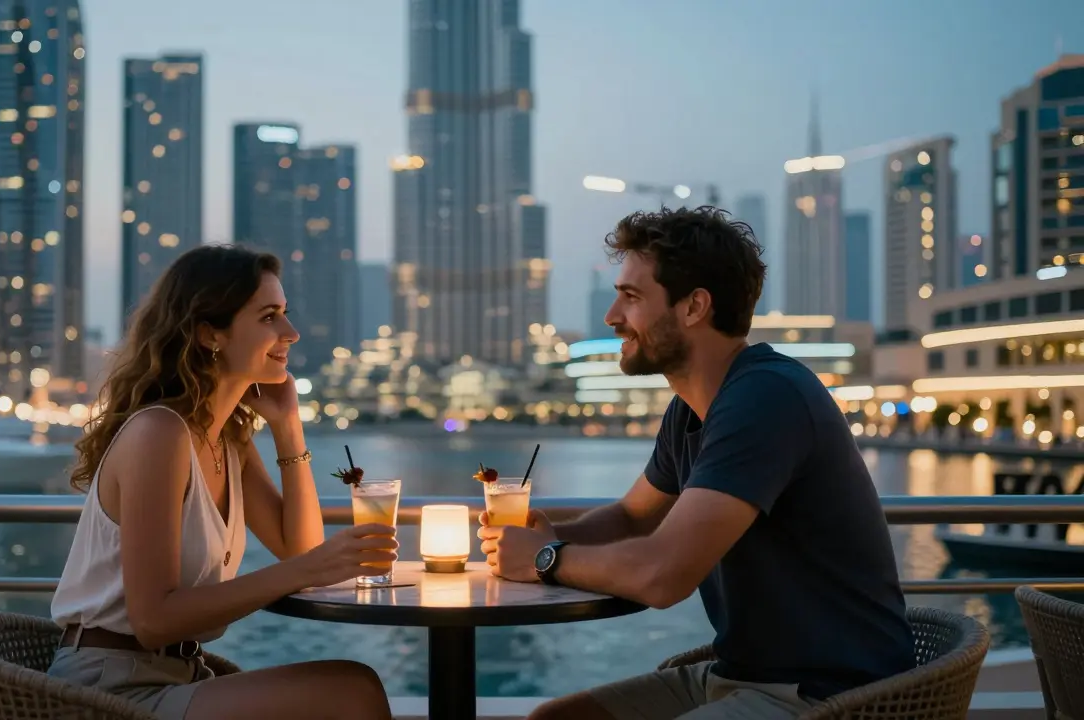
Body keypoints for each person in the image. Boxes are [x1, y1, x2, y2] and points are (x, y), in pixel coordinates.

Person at [480, 208, 915, 719]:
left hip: (831, 696)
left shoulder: (765, 397)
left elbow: (664, 575)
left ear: (694, 307)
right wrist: (553, 537)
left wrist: (545, 560)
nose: (612, 316)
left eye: (632, 296)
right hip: (740, 676)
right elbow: (633, 517)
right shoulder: (692, 407)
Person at [47, 244, 396, 720]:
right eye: (270, 317)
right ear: (210, 333)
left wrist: (287, 427)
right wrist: (312, 568)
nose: (291, 333)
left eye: (285, 315)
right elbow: (153, 622)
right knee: (352, 691)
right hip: (108, 689)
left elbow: (300, 547)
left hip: (179, 675)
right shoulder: (160, 433)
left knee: (353, 686)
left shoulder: (226, 438)